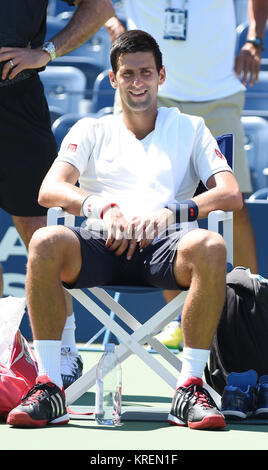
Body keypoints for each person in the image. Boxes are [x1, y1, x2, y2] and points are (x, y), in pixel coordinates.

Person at [6, 30, 242, 429]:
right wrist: (99, 206)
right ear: (113, 79)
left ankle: (190, 386)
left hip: (167, 246)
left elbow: (231, 194)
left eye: (146, 72)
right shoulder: (89, 129)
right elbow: (50, 190)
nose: (137, 82)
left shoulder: (191, 127)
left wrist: (174, 212)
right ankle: (48, 386)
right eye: (128, 73)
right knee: (45, 240)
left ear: (161, 76)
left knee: (211, 244)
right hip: (101, 243)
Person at [104, 0, 268, 348]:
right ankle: (182, 318)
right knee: (155, 203)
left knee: (232, 204)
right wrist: (112, 24)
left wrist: (255, 39)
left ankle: (253, 317)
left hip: (217, 91)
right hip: (145, 93)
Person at [0, 0, 115, 387]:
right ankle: (3, 354)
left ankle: (63, 353)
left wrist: (45, 52)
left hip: (17, 106)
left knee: (43, 239)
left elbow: (99, 7)